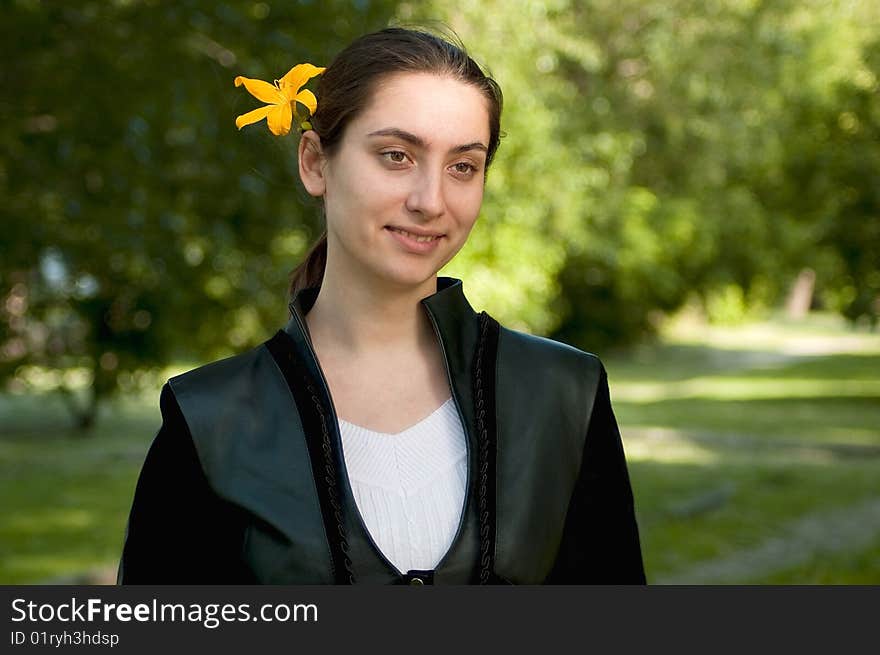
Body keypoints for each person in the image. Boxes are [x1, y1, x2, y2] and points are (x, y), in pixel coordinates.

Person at [117, 27, 646, 585]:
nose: (430, 201)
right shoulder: (210, 422)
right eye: (397, 156)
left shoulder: (564, 394)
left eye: (462, 166)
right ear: (316, 162)